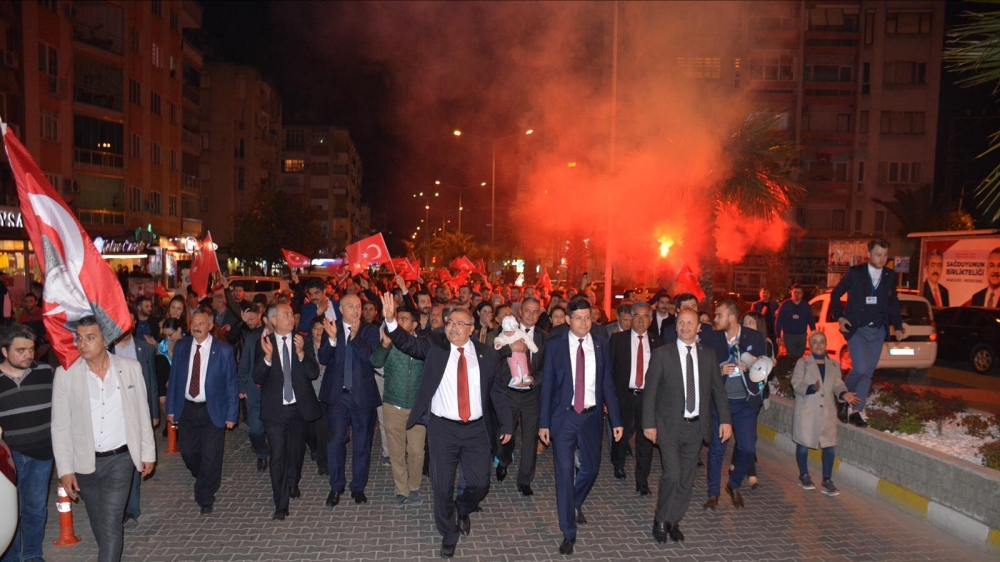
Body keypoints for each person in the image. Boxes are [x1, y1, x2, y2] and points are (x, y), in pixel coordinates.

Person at [380, 293, 512, 559]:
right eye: (450, 322)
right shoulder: (435, 347)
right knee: (442, 487)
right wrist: (391, 320)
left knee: (480, 484)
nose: (452, 327)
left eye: (460, 324)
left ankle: (462, 508)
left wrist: (507, 423)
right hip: (443, 429)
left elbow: (497, 392)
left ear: (472, 329)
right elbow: (408, 344)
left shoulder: (487, 355)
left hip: (476, 430)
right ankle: (448, 533)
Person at [51, 317, 156, 562]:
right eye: (79, 337)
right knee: (100, 523)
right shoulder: (65, 375)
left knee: (110, 519)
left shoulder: (130, 368)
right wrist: (65, 470)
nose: (82, 343)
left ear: (105, 339)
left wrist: (147, 452)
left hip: (121, 459)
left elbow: (142, 411)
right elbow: (60, 426)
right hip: (85, 463)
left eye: (90, 337)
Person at [538, 299, 623, 556]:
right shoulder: (554, 346)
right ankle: (568, 531)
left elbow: (607, 383)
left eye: (588, 317)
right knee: (564, 473)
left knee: (591, 468)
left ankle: (573, 502)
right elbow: (548, 387)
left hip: (591, 417)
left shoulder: (601, 345)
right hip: (563, 419)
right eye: (578, 318)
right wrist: (544, 423)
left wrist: (616, 420)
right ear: (568, 320)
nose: (584, 322)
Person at [642, 308, 732, 544]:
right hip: (669, 426)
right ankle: (660, 519)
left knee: (686, 479)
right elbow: (649, 392)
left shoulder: (708, 355)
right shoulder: (662, 354)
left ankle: (674, 519)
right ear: (676, 326)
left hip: (696, 428)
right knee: (672, 474)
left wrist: (725, 420)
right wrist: (648, 423)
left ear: (698, 327)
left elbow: (717, 391)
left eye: (690, 323)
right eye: (681, 322)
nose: (685, 327)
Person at [165, 311, 239, 514]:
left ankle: (205, 495)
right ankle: (204, 476)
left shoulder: (223, 350)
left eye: (201, 323)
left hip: (212, 409)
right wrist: (170, 408)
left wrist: (232, 414)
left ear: (210, 325)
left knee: (211, 455)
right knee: (188, 450)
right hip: (187, 408)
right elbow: (175, 380)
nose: (196, 326)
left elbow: (231, 384)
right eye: (193, 323)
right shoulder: (181, 347)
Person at [253, 304, 321, 520]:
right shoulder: (264, 344)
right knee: (277, 455)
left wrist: (301, 354)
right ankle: (280, 503)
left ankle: (293, 482)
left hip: (299, 408)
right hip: (275, 411)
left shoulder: (302, 340)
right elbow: (257, 377)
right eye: (286, 315)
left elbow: (312, 373)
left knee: (296, 450)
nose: (291, 318)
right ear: (273, 321)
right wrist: (267, 359)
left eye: (292, 314)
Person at [830, 238, 906, 428]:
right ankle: (842, 396)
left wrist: (897, 325)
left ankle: (856, 411)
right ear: (870, 254)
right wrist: (839, 317)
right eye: (878, 255)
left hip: (878, 330)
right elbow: (836, 293)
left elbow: (892, 302)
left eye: (885, 255)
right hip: (857, 329)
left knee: (868, 373)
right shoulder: (856, 273)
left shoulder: (889, 275)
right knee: (860, 368)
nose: (882, 259)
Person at [317, 294, 381, 507]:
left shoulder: (370, 331)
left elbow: (371, 358)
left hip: (362, 397)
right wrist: (333, 340)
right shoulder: (331, 328)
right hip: (338, 396)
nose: (356, 310)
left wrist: (355, 337)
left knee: (362, 444)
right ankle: (336, 487)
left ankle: (358, 488)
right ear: (341, 309)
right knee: (336, 442)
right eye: (351, 306)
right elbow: (323, 359)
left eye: (359, 306)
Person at [703, 300, 766, 510]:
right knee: (717, 450)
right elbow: (703, 366)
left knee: (747, 449)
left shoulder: (755, 337)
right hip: (721, 404)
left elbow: (763, 368)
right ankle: (713, 493)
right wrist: (720, 371)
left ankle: (734, 484)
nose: (715, 318)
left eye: (719, 314)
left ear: (731, 317)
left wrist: (751, 366)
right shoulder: (711, 338)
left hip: (746, 404)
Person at [0, 324, 55, 562]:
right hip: (8, 461)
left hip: (42, 455)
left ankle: (33, 555)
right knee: (8, 513)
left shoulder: (46, 372)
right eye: (20, 350)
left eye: (31, 349)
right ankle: (10, 557)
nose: (27, 355)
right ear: (4, 351)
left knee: (35, 509)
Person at [370, 307, 426, 508]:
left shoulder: (423, 345)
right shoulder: (390, 343)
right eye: (397, 319)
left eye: (404, 319)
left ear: (415, 325)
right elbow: (374, 361)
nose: (398, 323)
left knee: (417, 451)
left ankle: (414, 487)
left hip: (417, 408)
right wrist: (384, 345)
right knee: (396, 451)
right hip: (393, 405)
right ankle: (401, 490)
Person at [792, 331, 860, 496]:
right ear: (810, 344)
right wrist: (810, 388)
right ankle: (804, 475)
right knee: (803, 445)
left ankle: (827, 480)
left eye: (822, 341)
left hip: (827, 412)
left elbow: (837, 384)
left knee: (829, 446)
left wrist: (844, 394)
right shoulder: (803, 363)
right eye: (815, 342)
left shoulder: (834, 364)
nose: (819, 344)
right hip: (808, 411)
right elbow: (796, 383)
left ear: (826, 344)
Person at [494, 297, 547, 496]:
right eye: (528, 311)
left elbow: (547, 366)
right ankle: (504, 460)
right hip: (508, 392)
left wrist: (534, 379)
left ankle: (525, 480)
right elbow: (493, 352)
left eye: (536, 311)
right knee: (505, 434)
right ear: (519, 313)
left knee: (530, 438)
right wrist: (511, 348)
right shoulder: (505, 332)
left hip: (531, 395)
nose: (531, 315)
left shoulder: (544, 337)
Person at [111, 320, 159, 528]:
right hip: (112, 414)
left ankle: (131, 509)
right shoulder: (106, 348)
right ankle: (116, 508)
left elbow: (152, 381)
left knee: (134, 461)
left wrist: (154, 412)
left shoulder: (145, 348)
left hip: (136, 412)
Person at [609, 302, 661, 494]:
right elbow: (610, 370)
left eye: (645, 316)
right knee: (621, 434)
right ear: (630, 318)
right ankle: (618, 463)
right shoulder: (618, 339)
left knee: (645, 440)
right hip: (624, 396)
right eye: (637, 316)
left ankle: (642, 481)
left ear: (650, 319)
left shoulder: (658, 342)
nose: (640, 320)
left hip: (648, 398)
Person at [237, 304, 270, 472]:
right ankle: (262, 453)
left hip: (273, 392)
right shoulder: (252, 338)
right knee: (255, 429)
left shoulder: (280, 337)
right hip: (254, 390)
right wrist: (242, 387)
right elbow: (244, 364)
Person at [306, 316, 330, 475]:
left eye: (322, 328)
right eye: (316, 328)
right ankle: (313, 446)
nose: (319, 332)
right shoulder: (306, 347)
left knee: (323, 430)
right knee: (310, 430)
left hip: (325, 393)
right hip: (309, 393)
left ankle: (323, 463)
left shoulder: (331, 346)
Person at [775, 284, 815, 359]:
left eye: (799, 292)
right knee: (791, 356)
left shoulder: (806, 306)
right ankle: (791, 370)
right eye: (795, 292)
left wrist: (814, 333)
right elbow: (779, 320)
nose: (797, 294)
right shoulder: (785, 305)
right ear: (791, 292)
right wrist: (778, 336)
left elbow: (811, 320)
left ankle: (798, 370)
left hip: (802, 336)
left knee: (800, 357)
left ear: (802, 294)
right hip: (789, 336)